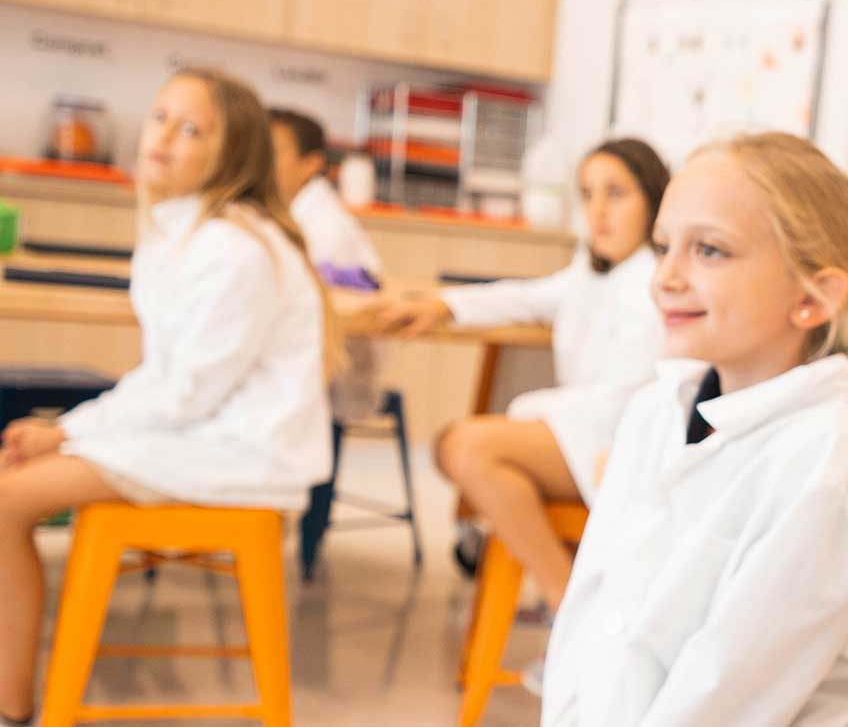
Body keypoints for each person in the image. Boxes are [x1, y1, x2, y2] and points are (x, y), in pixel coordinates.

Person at [0, 68, 337, 727]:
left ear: (232, 154)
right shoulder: (184, 229)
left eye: (192, 130)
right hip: (206, 431)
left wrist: (66, 431)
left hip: (240, 451)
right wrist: (75, 431)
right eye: (160, 117)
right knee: (11, 486)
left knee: (8, 494)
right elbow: (175, 383)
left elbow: (184, 392)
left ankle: (11, 703)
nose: (164, 138)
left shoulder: (232, 248)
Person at [541, 133, 848, 726]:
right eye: (664, 247)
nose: (666, 277)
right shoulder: (655, 412)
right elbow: (589, 614)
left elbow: (725, 699)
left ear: (814, 298)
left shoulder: (823, 466)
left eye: (708, 251)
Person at [370, 139, 670, 610]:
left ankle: (564, 597)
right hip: (580, 430)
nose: (598, 211)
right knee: (468, 451)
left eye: (616, 194)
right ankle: (572, 593)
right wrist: (446, 305)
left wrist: (527, 413)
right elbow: (526, 297)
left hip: (615, 442)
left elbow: (622, 399)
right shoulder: (594, 273)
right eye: (587, 194)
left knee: (466, 446)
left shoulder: (657, 282)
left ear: (654, 200)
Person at [268, 107, 383, 277]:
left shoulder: (324, 226)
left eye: (274, 153)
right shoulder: (279, 209)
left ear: (312, 163)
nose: (262, 162)